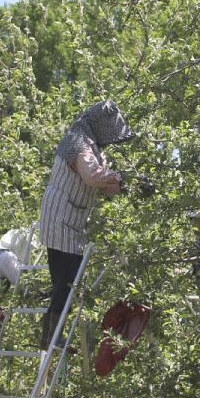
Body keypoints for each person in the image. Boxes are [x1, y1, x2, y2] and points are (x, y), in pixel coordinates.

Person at [38, 101, 134, 349]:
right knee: (68, 280)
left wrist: (129, 185)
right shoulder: (78, 143)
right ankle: (50, 335)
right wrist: (123, 177)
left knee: (67, 279)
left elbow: (105, 185)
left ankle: (49, 335)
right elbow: (93, 177)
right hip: (61, 218)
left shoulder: (90, 144)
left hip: (67, 219)